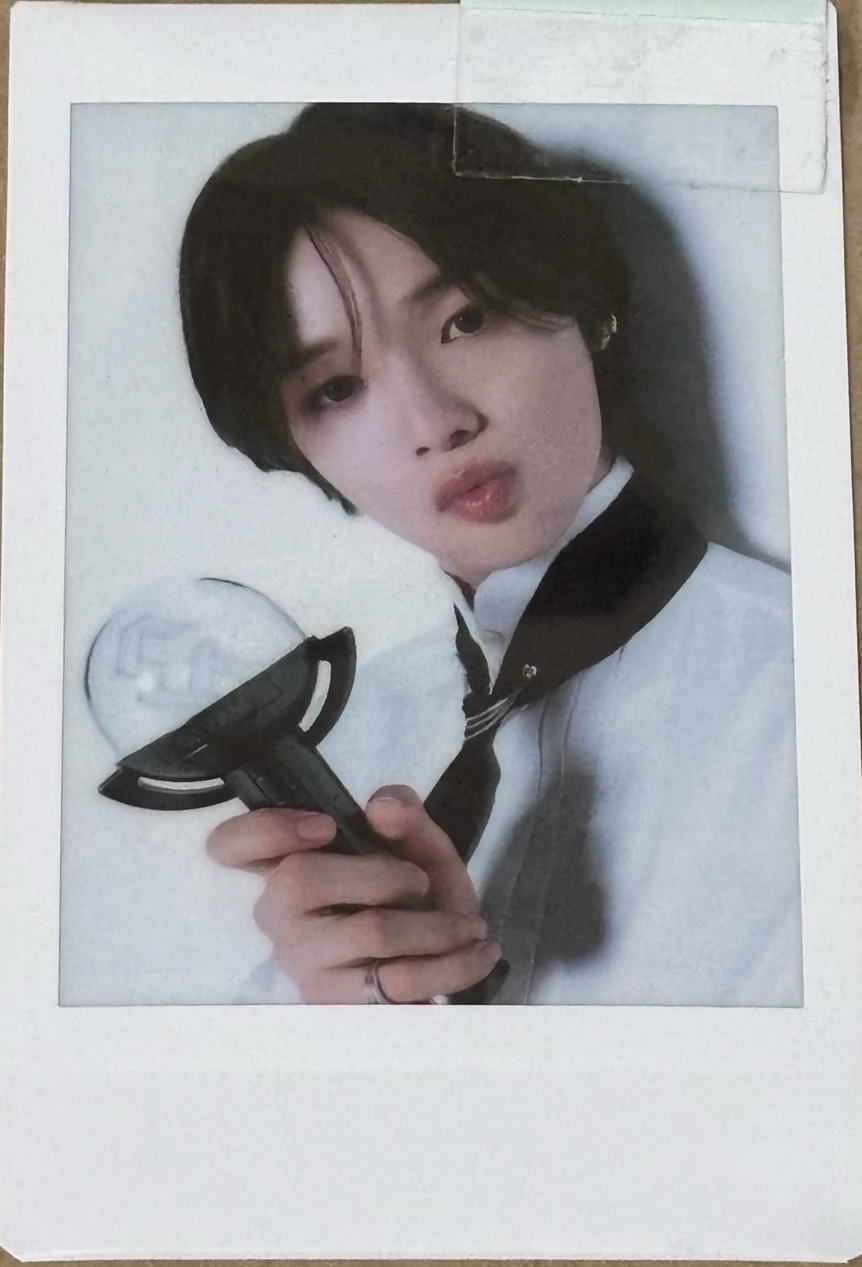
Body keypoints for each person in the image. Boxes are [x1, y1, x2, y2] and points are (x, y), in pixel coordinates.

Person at [178, 103, 801, 1006]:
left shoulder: (805, 690)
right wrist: (330, 1017)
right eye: (338, 388)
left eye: (465, 320)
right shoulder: (342, 752)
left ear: (585, 306)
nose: (434, 423)